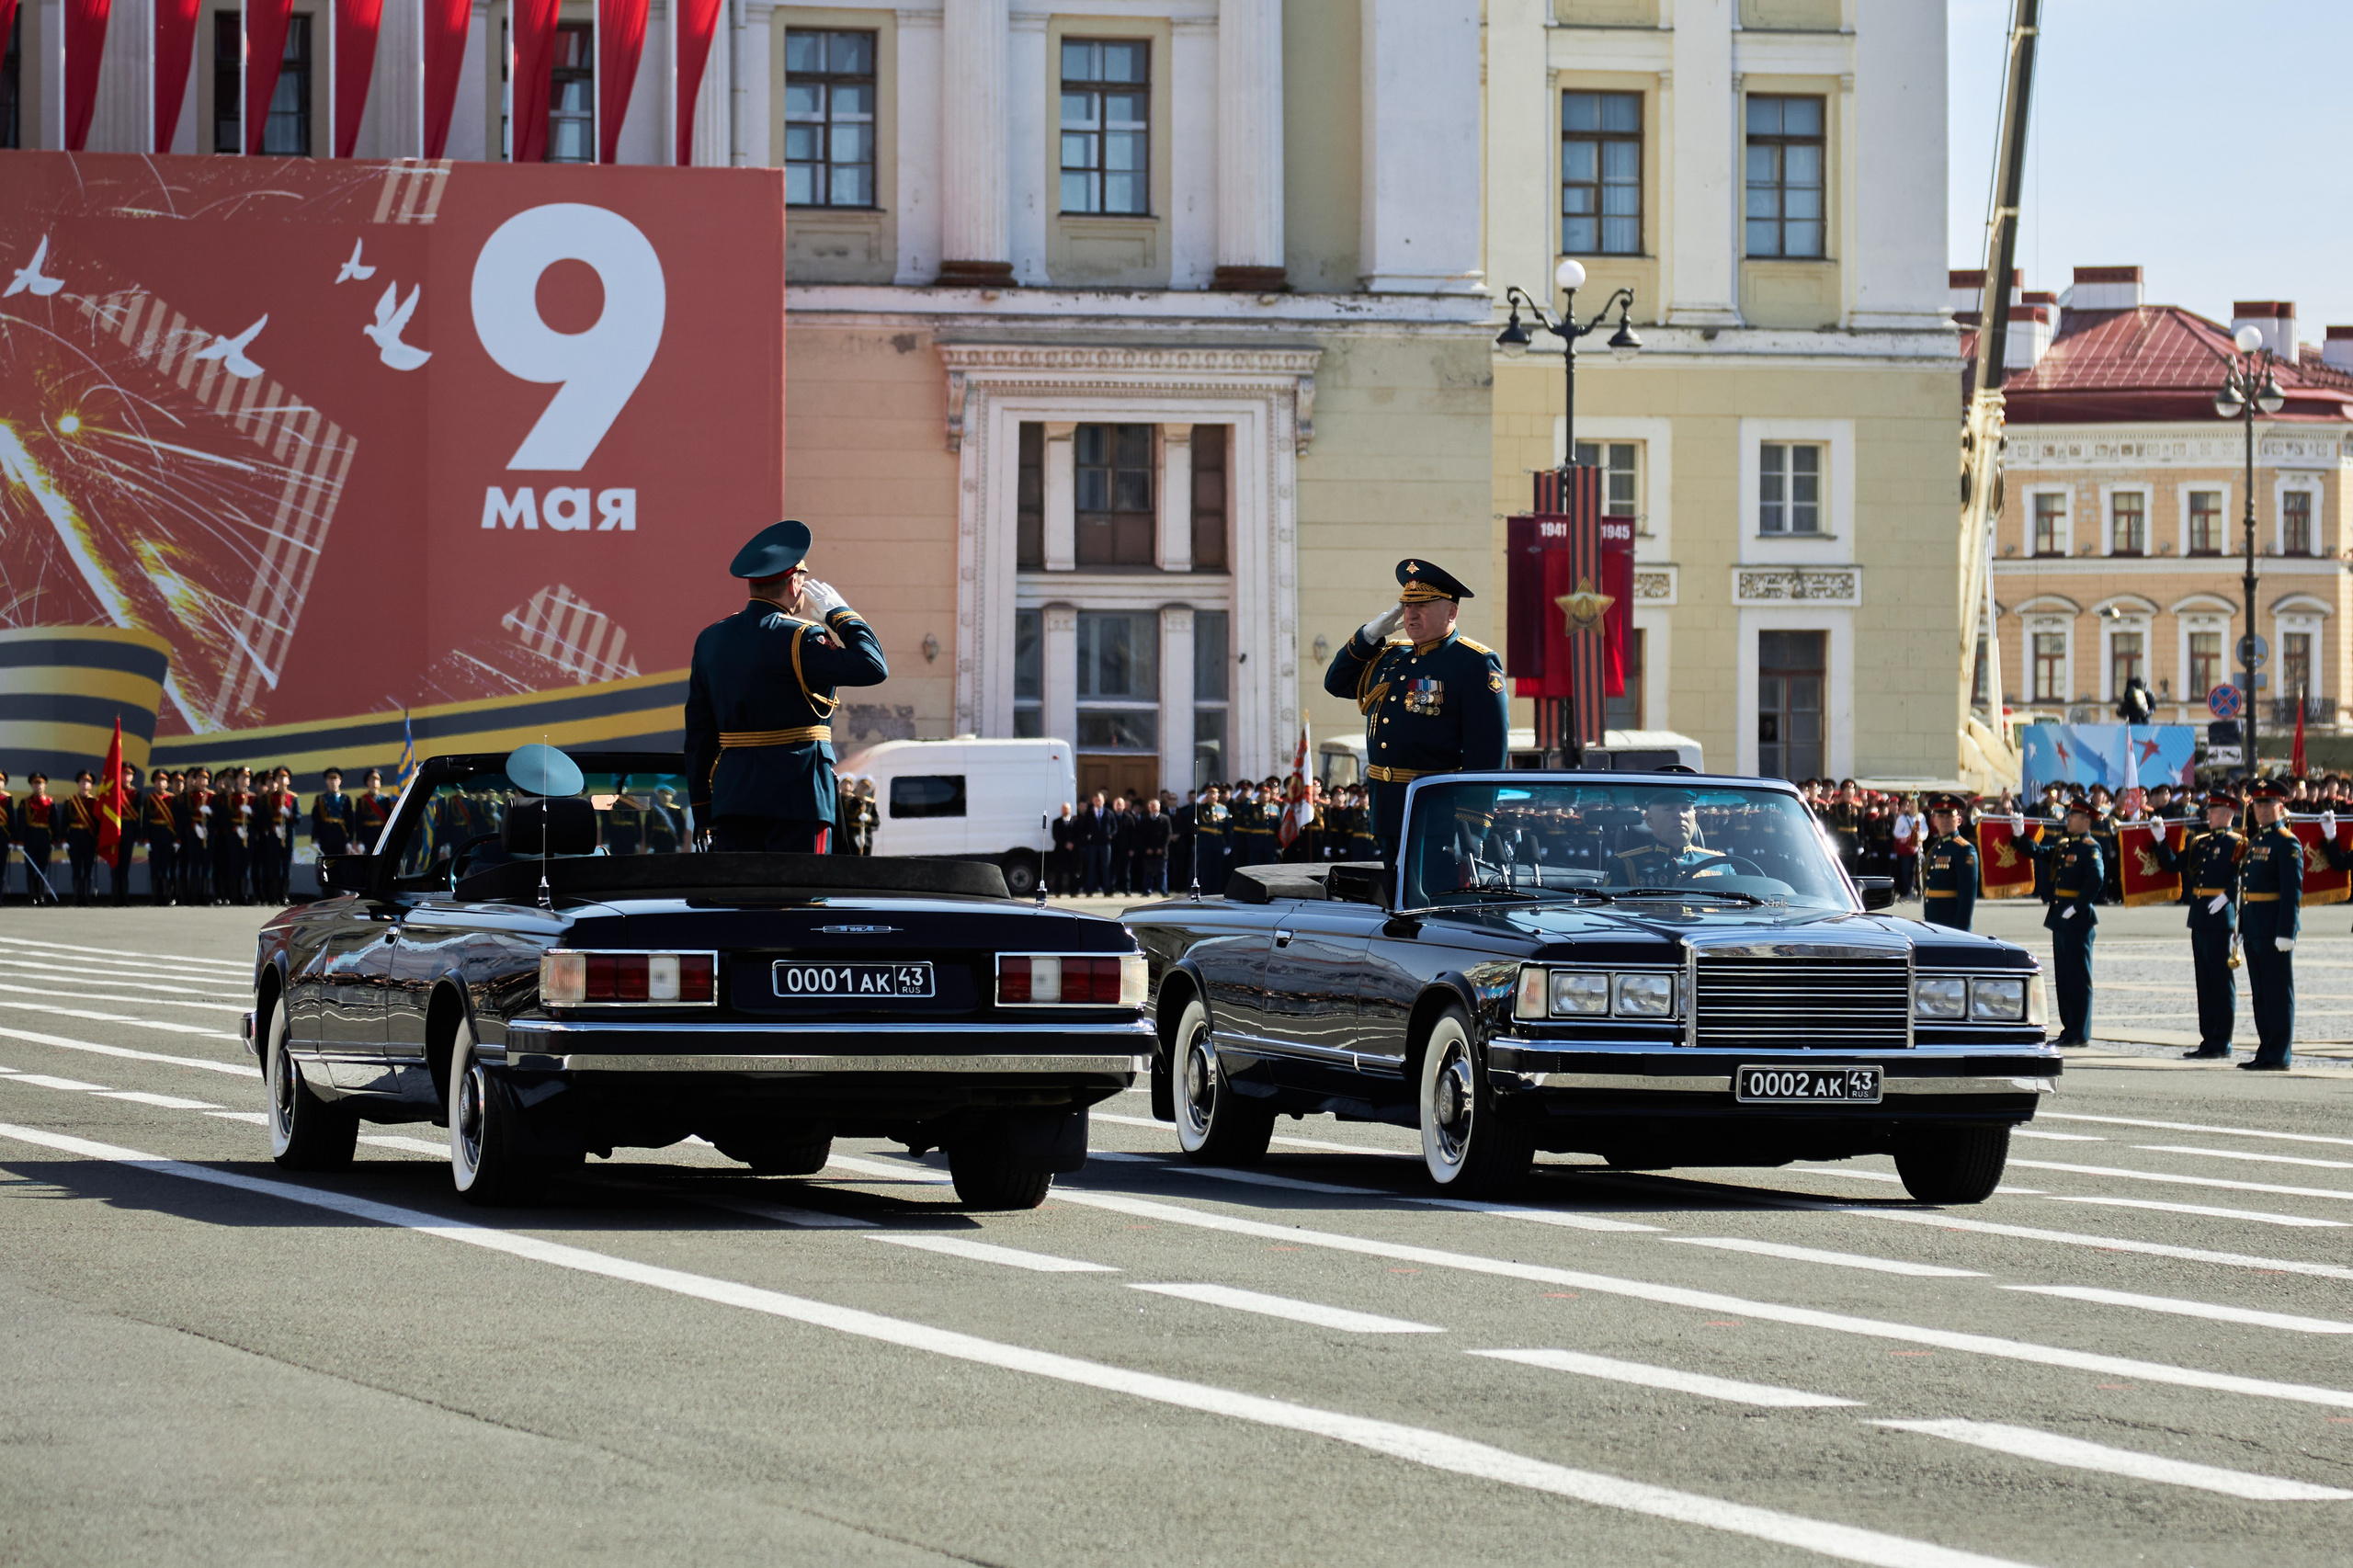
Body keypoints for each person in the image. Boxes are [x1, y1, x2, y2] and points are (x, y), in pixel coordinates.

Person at [684, 519, 891, 852]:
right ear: (796, 585)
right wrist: (842, 614)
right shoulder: (802, 637)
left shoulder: (710, 640)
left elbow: (699, 733)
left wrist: (702, 808)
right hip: (800, 797)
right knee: (801, 898)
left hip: (733, 798)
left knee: (738, 899)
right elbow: (873, 666)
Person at [1324, 559, 1507, 860]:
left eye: (1422, 606)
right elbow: (1336, 683)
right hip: (1385, 811)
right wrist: (1370, 634)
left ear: (1451, 611)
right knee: (1391, 900)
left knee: (1429, 902)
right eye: (1407, 606)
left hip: (1436, 816)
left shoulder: (1473, 663)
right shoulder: (1391, 657)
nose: (1410, 614)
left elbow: (1488, 751)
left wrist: (1473, 824)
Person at [2153, 789, 2246, 1060]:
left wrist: (2228, 896)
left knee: (2220, 980)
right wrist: (2160, 839)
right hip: (2200, 916)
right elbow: (2173, 865)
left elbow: (2243, 875)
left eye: (2214, 811)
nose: (2208, 814)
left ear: (2228, 814)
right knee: (2204, 981)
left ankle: (2222, 1041)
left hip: (2221, 917)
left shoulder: (2238, 843)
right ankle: (2209, 1038)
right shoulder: (2199, 842)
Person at [2017, 795, 2103, 1046]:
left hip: (2077, 920)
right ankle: (2069, 1028)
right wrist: (2020, 834)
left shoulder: (2090, 847)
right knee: (2064, 978)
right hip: (2060, 919)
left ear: (2086, 820)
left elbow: (2095, 880)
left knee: (2079, 978)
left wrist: (2077, 906)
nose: (2069, 819)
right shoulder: (2065, 845)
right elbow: (2040, 853)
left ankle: (2080, 1032)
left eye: (2074, 816)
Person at [2237, 782, 2302, 1071]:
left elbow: (2292, 891)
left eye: (2268, 804)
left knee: (2277, 992)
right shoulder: (2255, 840)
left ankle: (2279, 1054)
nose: (2262, 810)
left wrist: (2287, 931)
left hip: (2274, 928)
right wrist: (2241, 926)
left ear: (2281, 806)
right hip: (2254, 927)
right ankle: (2266, 1049)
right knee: (2261, 993)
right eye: (2258, 805)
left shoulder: (2287, 842)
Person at [1609, 789, 1745, 884]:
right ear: (1649, 820)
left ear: (1695, 817)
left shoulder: (1720, 865)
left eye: (1686, 808)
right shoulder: (1626, 866)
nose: (1680, 815)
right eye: (1669, 809)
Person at [1917, 794, 1979, 931]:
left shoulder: (1965, 850)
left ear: (1959, 820)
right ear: (1934, 820)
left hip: (1951, 925)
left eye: (1949, 816)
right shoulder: (1935, 849)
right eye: (1940, 816)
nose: (1945, 820)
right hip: (1933, 922)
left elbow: (1967, 897)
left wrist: (1961, 931)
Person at [63, 770, 100, 904]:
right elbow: (64, 822)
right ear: (78, 784)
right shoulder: (70, 801)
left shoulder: (95, 802)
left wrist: (98, 840)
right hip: (74, 837)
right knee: (76, 868)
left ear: (91, 786)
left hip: (89, 838)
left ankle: (86, 897)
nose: (85, 784)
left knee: (88, 869)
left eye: (88, 782)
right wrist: (64, 840)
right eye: (83, 781)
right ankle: (77, 897)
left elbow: (98, 823)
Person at [18, 773, 56, 903]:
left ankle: (41, 895)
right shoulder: (26, 802)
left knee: (42, 868)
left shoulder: (50, 802)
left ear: (45, 785)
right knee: (30, 868)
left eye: (40, 784)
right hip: (30, 838)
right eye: (35, 784)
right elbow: (21, 823)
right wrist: (19, 841)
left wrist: (55, 840)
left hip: (44, 838)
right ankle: (32, 896)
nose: (38, 786)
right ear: (31, 785)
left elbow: (54, 822)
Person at [1192, 785, 1228, 893]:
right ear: (1206, 796)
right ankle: (1205, 892)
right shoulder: (1200, 808)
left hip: (1219, 844)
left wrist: (1228, 844)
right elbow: (1188, 815)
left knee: (1218, 871)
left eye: (1215, 794)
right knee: (1205, 870)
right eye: (1210, 794)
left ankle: (1216, 892)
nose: (1213, 796)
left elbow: (1228, 828)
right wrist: (1197, 803)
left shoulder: (1223, 809)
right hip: (1205, 844)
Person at [1074, 791, 1110, 893]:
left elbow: (1114, 826)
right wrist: (1088, 835)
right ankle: (1089, 889)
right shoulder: (1090, 813)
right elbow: (1084, 828)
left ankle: (1107, 889)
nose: (1098, 802)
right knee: (1091, 866)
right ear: (1093, 801)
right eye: (1096, 800)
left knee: (1105, 866)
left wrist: (1110, 835)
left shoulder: (1108, 812)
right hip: (1093, 844)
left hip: (1105, 844)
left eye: (1100, 800)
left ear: (1103, 801)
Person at [1135, 794, 1171, 895]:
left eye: (1155, 806)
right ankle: (1147, 890)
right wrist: (1146, 848)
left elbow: (1168, 835)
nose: (1154, 808)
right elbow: (1141, 836)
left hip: (1161, 851)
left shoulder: (1165, 819)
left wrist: (1162, 848)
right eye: (1152, 807)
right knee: (1148, 872)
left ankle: (1163, 890)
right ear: (1149, 808)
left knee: (1162, 871)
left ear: (1159, 807)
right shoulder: (1144, 821)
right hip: (1148, 851)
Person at [1049, 803, 1077, 894]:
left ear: (1070, 810)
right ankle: (1058, 892)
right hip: (1060, 851)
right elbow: (1056, 836)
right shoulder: (1056, 822)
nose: (1065, 811)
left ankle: (1073, 892)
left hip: (1073, 851)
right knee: (1059, 872)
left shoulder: (1076, 821)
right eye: (1064, 809)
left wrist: (1073, 843)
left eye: (1067, 809)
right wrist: (1065, 843)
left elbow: (1079, 834)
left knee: (1073, 872)